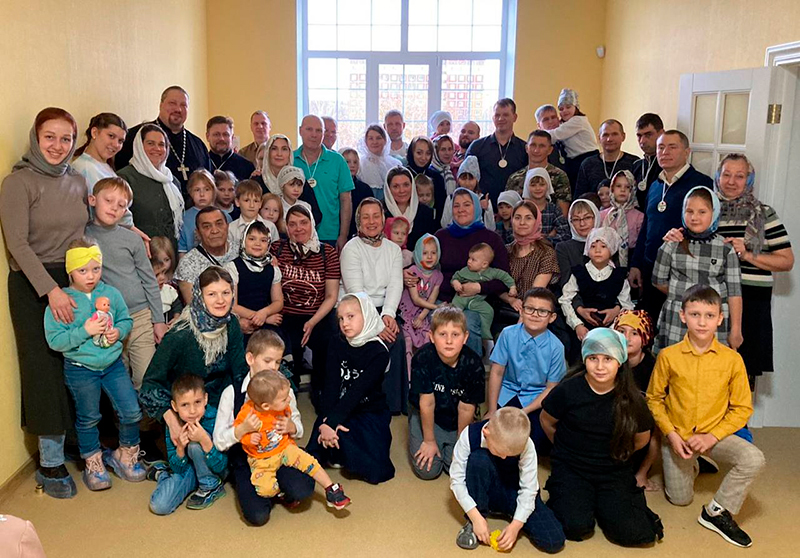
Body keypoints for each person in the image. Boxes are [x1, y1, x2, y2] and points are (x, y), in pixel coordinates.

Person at [0, 107, 89, 499]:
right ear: (36, 139)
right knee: (44, 370)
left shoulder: (77, 180)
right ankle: (49, 462)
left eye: (66, 138)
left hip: (72, 278)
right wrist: (51, 291)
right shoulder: (17, 183)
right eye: (49, 137)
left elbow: (86, 229)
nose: (58, 145)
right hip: (33, 284)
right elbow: (17, 245)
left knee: (77, 362)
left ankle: (76, 442)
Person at [647, 285, 765, 548]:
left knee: (753, 459)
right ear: (683, 316)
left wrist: (712, 437)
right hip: (678, 437)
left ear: (720, 319)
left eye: (709, 315)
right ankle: (696, 463)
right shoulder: (668, 356)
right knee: (680, 500)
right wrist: (671, 435)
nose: (702, 322)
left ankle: (716, 511)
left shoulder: (732, 360)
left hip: (714, 436)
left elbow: (742, 408)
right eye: (695, 314)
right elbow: (654, 399)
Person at [541, 328, 664, 546]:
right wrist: (565, 449)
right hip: (573, 467)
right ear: (584, 360)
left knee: (636, 534)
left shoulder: (633, 399)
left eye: (608, 359)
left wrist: (619, 454)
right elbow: (547, 421)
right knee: (574, 526)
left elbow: (642, 439)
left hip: (613, 469)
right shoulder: (568, 389)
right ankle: (580, 499)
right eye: (593, 358)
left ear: (620, 361)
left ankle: (603, 502)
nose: (600, 366)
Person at [44, 238, 144, 490]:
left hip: (113, 365)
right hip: (80, 369)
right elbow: (55, 340)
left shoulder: (111, 293)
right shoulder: (62, 301)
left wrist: (118, 333)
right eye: (83, 270)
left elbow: (126, 320)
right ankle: (94, 463)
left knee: (131, 410)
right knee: (88, 418)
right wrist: (85, 331)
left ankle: (126, 455)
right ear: (70, 270)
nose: (91, 276)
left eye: (96, 269)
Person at [139, 266, 248, 475]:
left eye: (226, 293)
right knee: (190, 468)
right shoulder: (180, 334)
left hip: (220, 405)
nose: (221, 300)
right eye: (212, 294)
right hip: (188, 408)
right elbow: (150, 384)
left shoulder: (232, 323)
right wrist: (172, 420)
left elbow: (239, 371)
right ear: (199, 296)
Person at [213, 330, 315, 525]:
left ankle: (280, 487)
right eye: (267, 361)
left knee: (303, 489)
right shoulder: (232, 393)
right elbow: (219, 441)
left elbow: (298, 428)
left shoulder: (284, 389)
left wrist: (292, 427)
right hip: (248, 460)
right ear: (250, 358)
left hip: (280, 454)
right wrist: (240, 430)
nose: (273, 368)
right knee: (258, 516)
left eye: (277, 362)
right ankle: (262, 490)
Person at [714, 154, 794, 387]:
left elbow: (786, 261)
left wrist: (747, 255)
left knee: (741, 376)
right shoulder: (707, 210)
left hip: (751, 300)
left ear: (749, 180)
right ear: (718, 177)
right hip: (714, 299)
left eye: (739, 176)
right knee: (711, 374)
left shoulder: (763, 214)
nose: (731, 181)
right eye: (727, 174)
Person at [306, 293, 395, 484]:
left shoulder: (379, 352)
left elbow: (357, 391)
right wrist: (327, 420)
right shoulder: (336, 342)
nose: (345, 323)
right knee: (310, 456)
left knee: (378, 471)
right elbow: (331, 385)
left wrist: (332, 423)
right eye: (341, 318)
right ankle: (333, 446)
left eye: (351, 316)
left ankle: (336, 448)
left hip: (368, 411)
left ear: (367, 315)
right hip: (337, 407)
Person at [449, 407, 566, 553]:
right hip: (485, 490)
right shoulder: (469, 435)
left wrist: (516, 525)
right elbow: (457, 480)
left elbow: (529, 489)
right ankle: (478, 516)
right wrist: (475, 517)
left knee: (554, 540)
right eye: (500, 452)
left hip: (514, 492)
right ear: (486, 433)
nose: (504, 458)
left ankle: (513, 513)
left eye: (511, 455)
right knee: (478, 460)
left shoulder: (525, 443)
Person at [86, 178, 165, 389]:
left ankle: (146, 412)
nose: (114, 208)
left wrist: (158, 320)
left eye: (121, 205)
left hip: (140, 317)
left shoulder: (132, 239)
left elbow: (149, 280)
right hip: (108, 320)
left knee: (145, 378)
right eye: (108, 200)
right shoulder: (84, 237)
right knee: (118, 383)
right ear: (92, 200)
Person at [235, 369, 351, 508]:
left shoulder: (282, 407)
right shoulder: (247, 414)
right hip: (261, 459)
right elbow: (239, 433)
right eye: (284, 399)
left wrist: (290, 424)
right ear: (266, 406)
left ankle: (331, 489)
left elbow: (290, 417)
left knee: (309, 462)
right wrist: (249, 437)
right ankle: (281, 493)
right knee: (265, 490)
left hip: (285, 448)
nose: (289, 399)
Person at [629, 129, 713, 322]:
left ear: (686, 152)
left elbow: (707, 228)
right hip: (651, 269)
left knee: (679, 326)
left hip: (682, 271)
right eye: (661, 147)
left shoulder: (701, 184)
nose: (665, 152)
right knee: (650, 325)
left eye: (672, 147)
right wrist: (636, 264)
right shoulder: (655, 185)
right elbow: (646, 227)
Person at [652, 186, 742, 351]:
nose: (694, 217)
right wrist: (682, 295)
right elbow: (658, 281)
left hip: (712, 321)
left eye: (702, 212)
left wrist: (736, 329)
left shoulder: (725, 248)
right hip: (678, 319)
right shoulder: (672, 244)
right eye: (689, 211)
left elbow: (734, 292)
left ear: (714, 213)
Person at [341, 198, 407, 414]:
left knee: (396, 339)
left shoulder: (393, 250)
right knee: (373, 339)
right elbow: (356, 291)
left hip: (384, 309)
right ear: (358, 221)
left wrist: (388, 315)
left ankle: (392, 405)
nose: (371, 222)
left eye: (376, 216)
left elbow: (395, 284)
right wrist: (376, 324)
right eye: (366, 217)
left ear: (383, 219)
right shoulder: (351, 249)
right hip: (357, 309)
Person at [270, 205, 339, 402]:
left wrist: (312, 322)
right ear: (286, 227)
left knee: (329, 341)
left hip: (318, 314)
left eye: (303, 223)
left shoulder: (327, 252)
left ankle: (321, 393)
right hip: (286, 313)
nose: (298, 228)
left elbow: (331, 296)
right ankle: (287, 395)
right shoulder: (276, 249)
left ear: (312, 224)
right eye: (292, 224)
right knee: (285, 347)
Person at [409, 306, 484, 480]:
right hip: (427, 412)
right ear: (431, 336)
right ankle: (424, 433)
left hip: (457, 415)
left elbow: (466, 408)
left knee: (456, 467)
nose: (449, 341)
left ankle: (452, 442)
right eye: (442, 334)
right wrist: (429, 440)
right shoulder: (422, 358)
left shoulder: (473, 364)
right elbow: (427, 403)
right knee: (428, 471)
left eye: (455, 334)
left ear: (465, 337)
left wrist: (461, 442)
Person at [433, 188, 510, 356]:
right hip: (443, 299)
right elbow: (426, 265)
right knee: (433, 320)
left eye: (467, 205)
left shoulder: (491, 239)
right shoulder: (441, 236)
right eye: (456, 205)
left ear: (476, 207)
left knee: (466, 322)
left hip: (477, 302)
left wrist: (479, 288)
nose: (461, 209)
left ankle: (472, 369)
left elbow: (503, 279)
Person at [488, 287, 565, 455]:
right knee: (495, 433)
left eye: (542, 311)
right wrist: (492, 409)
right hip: (507, 392)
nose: (535, 315)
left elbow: (551, 387)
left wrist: (525, 411)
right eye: (530, 309)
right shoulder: (508, 334)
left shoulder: (556, 347)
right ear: (522, 310)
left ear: (552, 317)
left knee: (535, 440)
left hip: (536, 399)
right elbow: (497, 372)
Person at [148, 374, 228, 514]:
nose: (192, 411)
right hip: (189, 469)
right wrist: (180, 449)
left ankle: (211, 487)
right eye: (185, 405)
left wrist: (204, 440)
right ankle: (162, 474)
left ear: (206, 399)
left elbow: (222, 466)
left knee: (194, 445)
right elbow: (178, 469)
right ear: (175, 406)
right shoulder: (174, 425)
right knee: (159, 506)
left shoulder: (216, 418)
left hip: (214, 471)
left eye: (197, 402)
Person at [115, 86, 210, 193]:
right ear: (161, 105)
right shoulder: (135, 137)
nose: (178, 109)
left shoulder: (198, 145)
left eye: (183, 105)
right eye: (172, 103)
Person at [612, 309, 661, 491]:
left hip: (641, 428)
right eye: (621, 331)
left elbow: (656, 414)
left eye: (634, 333)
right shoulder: (608, 360)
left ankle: (643, 472)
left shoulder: (654, 367)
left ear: (645, 337)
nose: (627, 338)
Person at [117, 124, 184, 253]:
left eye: (161, 144)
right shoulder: (125, 178)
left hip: (170, 254)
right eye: (150, 143)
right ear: (139, 146)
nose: (157, 148)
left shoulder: (172, 181)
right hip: (139, 252)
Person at [560, 227, 633, 342]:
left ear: (612, 249)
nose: (597, 251)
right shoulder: (579, 273)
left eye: (603, 246)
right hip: (582, 330)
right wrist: (577, 325)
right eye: (593, 246)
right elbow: (565, 300)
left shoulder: (619, 276)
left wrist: (614, 327)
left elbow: (627, 306)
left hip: (610, 332)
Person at [294, 115, 353, 249]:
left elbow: (346, 200)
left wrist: (343, 235)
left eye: (319, 130)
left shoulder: (338, 161)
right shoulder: (290, 159)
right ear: (300, 131)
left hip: (329, 235)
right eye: (309, 129)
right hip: (296, 234)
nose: (314, 134)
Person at [225, 221, 283, 345]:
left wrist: (265, 313)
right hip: (242, 320)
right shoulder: (233, 267)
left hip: (265, 319)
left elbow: (278, 302)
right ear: (243, 241)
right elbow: (233, 306)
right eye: (252, 239)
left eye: (263, 240)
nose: (257, 244)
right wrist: (263, 318)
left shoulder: (273, 268)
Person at [502, 201, 560, 324]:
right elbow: (496, 283)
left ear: (537, 221)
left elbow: (536, 292)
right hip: (504, 309)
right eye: (517, 218)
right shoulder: (505, 251)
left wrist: (521, 321)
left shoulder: (546, 253)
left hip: (534, 312)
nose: (522, 222)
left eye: (528, 218)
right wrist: (510, 300)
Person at [464, 98, 527, 208]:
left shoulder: (524, 149)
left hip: (515, 210)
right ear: (493, 118)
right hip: (483, 208)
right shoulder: (477, 147)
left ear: (515, 117)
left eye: (505, 115)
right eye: (497, 115)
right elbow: (466, 179)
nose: (500, 119)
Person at [451, 243, 517, 341]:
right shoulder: (465, 271)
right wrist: (456, 283)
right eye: (469, 258)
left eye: (473, 260)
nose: (469, 261)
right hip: (461, 299)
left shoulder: (492, 272)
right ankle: (452, 331)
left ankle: (485, 334)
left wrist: (512, 287)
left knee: (488, 311)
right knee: (453, 313)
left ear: (484, 264)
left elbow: (505, 276)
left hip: (477, 301)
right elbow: (455, 277)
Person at [398, 234, 443, 375]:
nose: (429, 257)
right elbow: (416, 299)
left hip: (422, 313)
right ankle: (408, 378)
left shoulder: (438, 276)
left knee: (427, 339)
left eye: (433, 253)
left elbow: (431, 299)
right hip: (406, 312)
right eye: (425, 253)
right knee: (407, 341)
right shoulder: (412, 272)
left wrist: (422, 317)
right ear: (417, 254)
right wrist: (437, 308)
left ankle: (425, 374)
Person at [174, 207, 238, 302]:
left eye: (219, 224)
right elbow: (194, 306)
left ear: (227, 226)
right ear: (198, 233)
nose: (214, 231)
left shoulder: (241, 251)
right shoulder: (188, 264)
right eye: (207, 227)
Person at [506, 130, 571, 215]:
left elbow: (563, 214)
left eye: (542, 146)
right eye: (533, 145)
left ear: (550, 150)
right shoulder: (515, 178)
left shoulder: (559, 176)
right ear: (526, 148)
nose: (536, 150)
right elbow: (507, 210)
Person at [545, 89, 599, 189]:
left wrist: (539, 135)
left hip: (587, 158)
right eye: (561, 109)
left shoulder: (578, 120)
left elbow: (555, 135)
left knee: (584, 189)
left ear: (576, 107)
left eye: (568, 107)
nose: (564, 111)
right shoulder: (565, 124)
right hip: (574, 161)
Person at [574, 119, 639, 199]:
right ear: (599, 138)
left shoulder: (635, 163)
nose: (609, 139)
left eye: (614, 134)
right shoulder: (587, 164)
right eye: (605, 135)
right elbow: (579, 198)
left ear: (623, 136)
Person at [383, 166, 439, 248]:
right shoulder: (380, 213)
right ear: (388, 189)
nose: (402, 190)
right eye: (396, 186)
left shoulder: (426, 213)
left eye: (406, 185)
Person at [600, 170, 644, 268]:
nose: (622, 190)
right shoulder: (603, 215)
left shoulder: (639, 217)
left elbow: (640, 244)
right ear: (612, 189)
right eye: (618, 186)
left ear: (632, 190)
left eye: (627, 187)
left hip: (630, 259)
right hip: (605, 259)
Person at [179, 169, 230, 254]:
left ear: (213, 191)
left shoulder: (225, 216)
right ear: (190, 192)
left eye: (206, 189)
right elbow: (181, 251)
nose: (202, 194)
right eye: (197, 190)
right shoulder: (183, 218)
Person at [440, 156, 495, 230]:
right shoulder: (451, 198)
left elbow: (491, 228)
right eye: (463, 178)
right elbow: (444, 224)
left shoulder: (484, 199)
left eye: (471, 179)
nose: (467, 183)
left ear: (477, 180)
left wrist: (487, 210)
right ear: (458, 179)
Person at [522, 168, 571, 245]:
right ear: (527, 187)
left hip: (550, 250)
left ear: (548, 186)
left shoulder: (554, 209)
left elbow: (565, 234)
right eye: (533, 185)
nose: (538, 188)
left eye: (542, 185)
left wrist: (545, 240)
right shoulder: (521, 209)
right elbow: (513, 234)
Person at [229, 179, 279, 250]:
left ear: (260, 203)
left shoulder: (270, 227)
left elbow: (276, 251)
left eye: (256, 201)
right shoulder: (231, 229)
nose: (252, 205)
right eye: (247, 200)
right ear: (237, 202)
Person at [405, 135, 447, 219]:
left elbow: (441, 209)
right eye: (419, 153)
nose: (423, 158)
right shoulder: (403, 176)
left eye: (428, 153)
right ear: (411, 153)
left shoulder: (437, 178)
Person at [356, 123, 401, 200]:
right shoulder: (359, 164)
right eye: (371, 138)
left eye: (378, 138)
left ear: (385, 140)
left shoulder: (395, 164)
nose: (375, 142)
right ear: (366, 142)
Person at [205, 115, 255, 181]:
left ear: (232, 137)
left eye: (225, 134)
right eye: (216, 134)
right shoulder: (201, 163)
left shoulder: (247, 166)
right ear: (207, 136)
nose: (221, 138)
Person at [340, 146, 374, 238]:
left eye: (355, 162)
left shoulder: (365, 189)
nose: (352, 165)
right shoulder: (334, 187)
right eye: (347, 162)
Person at [632, 113, 664, 209]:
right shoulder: (636, 165)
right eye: (639, 136)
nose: (642, 141)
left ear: (661, 133)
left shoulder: (667, 165)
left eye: (648, 135)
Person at [150, 237, 182, 323]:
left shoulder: (169, 290)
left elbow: (177, 306)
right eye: (157, 275)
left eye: (163, 273)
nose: (162, 278)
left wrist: (176, 317)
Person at [534, 104, 567, 170]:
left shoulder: (567, 138)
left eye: (553, 117)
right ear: (539, 125)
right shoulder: (537, 147)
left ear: (558, 119)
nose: (550, 121)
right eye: (545, 119)